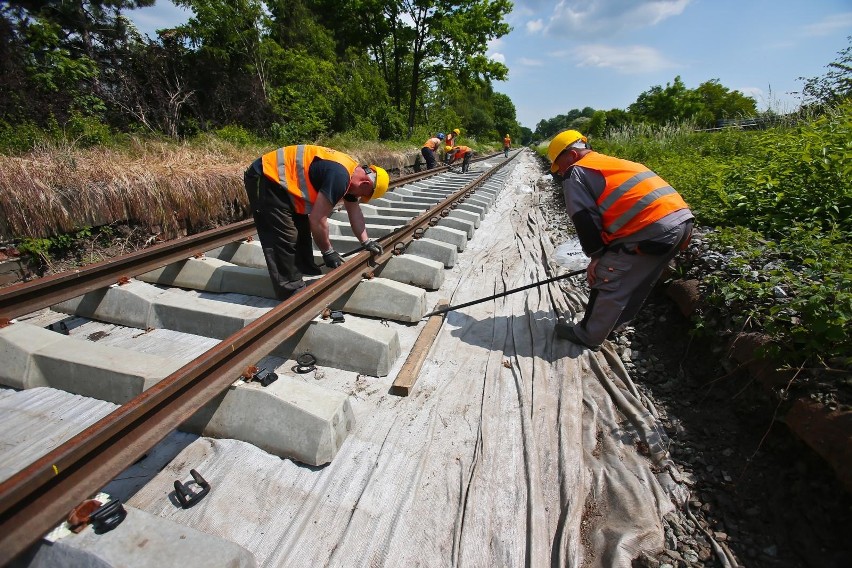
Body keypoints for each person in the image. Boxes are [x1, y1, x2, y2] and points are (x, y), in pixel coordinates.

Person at [547, 129, 694, 351]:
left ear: (573, 155)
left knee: (609, 278)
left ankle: (587, 335)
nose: (561, 172)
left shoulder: (576, 172)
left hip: (654, 228)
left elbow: (583, 218)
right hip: (682, 222)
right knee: (640, 279)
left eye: (561, 165)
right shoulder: (609, 162)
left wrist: (597, 257)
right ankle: (615, 325)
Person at [243, 145, 389, 300]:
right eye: (363, 195)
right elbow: (318, 219)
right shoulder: (340, 177)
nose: (359, 197)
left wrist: (366, 242)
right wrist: (328, 252)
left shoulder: (352, 174)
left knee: (301, 230)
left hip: (285, 185)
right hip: (266, 177)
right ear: (365, 184)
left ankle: (305, 269)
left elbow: (355, 212)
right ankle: (291, 292)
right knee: (284, 237)